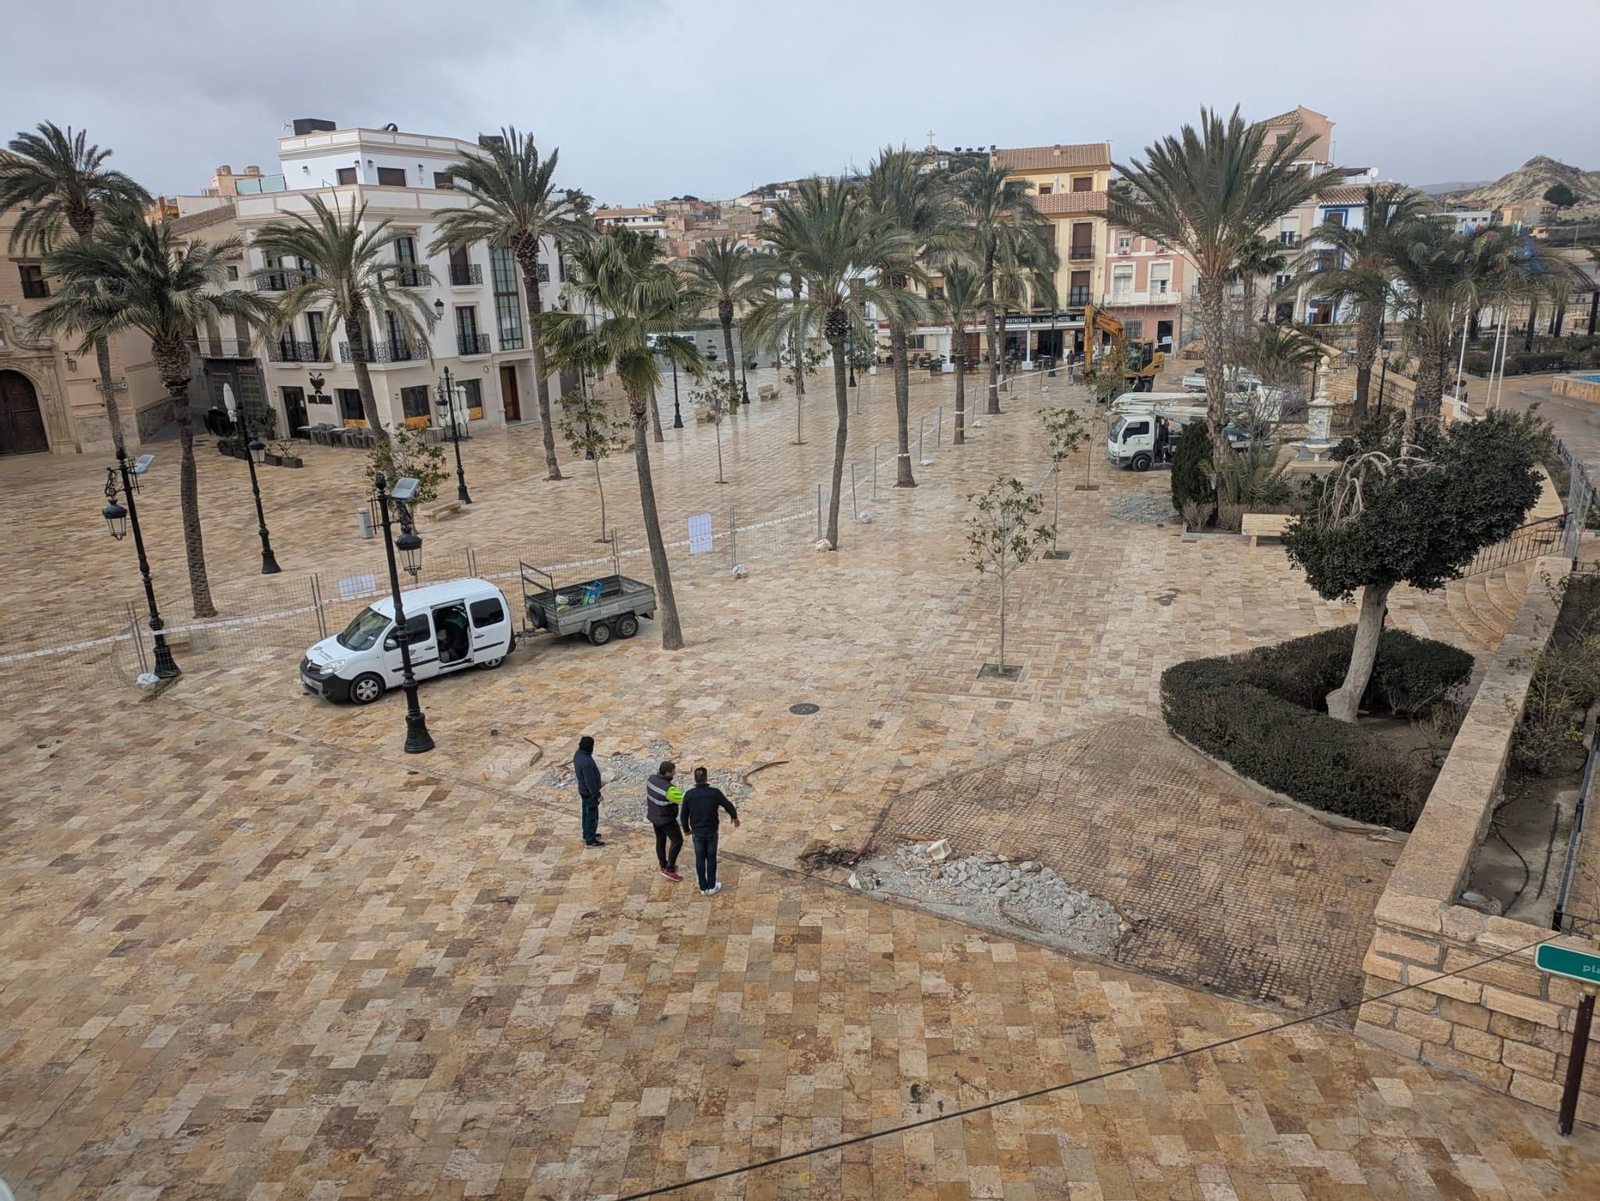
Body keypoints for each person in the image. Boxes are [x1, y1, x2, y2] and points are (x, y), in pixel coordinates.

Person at [680, 766, 739, 895]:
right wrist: (734, 816)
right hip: (712, 831)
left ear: (695, 779)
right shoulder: (714, 793)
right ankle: (712, 886)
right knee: (711, 858)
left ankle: (703, 887)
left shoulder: (689, 795)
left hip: (697, 832)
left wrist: (686, 829)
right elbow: (728, 804)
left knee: (700, 858)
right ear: (706, 778)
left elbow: (683, 815)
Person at [646, 760, 685, 881]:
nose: (674, 773)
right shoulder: (669, 790)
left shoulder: (651, 779)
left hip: (654, 815)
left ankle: (663, 865)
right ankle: (670, 870)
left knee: (660, 840)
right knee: (677, 841)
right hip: (666, 819)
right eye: (673, 772)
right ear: (668, 772)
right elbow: (685, 799)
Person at [573, 735, 605, 847]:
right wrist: (597, 795)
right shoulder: (586, 762)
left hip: (583, 790)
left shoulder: (578, 754)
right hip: (589, 793)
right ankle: (590, 839)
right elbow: (590, 782)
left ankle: (587, 834)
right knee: (591, 816)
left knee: (586, 814)